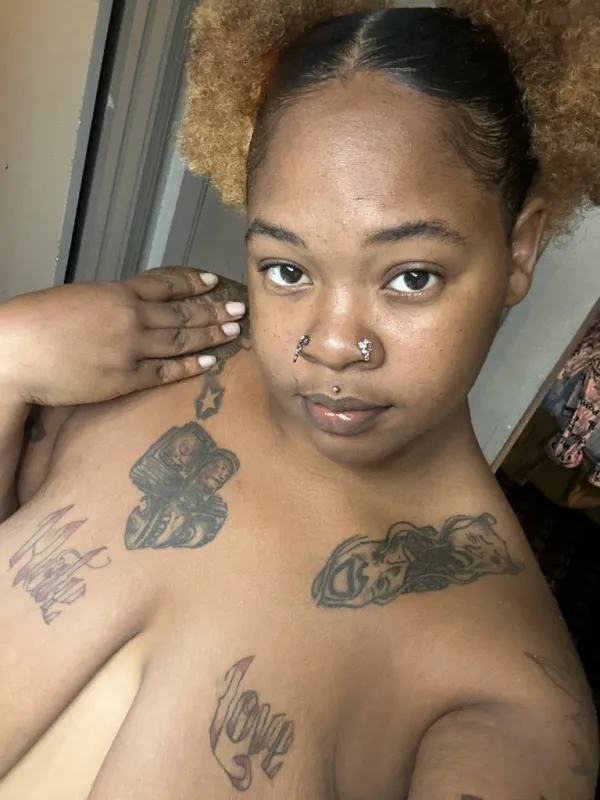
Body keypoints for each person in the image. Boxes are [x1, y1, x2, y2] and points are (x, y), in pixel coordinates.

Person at [1, 0, 599, 797]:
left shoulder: (503, 701)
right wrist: (9, 361)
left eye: (411, 277)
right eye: (288, 269)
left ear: (519, 252)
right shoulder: (155, 350)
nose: (333, 344)